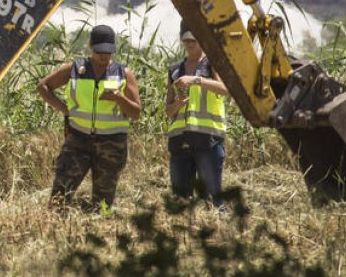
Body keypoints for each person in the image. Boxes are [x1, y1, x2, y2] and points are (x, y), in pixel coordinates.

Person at [37, 24, 141, 210]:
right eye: (100, 51)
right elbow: (43, 87)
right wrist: (65, 109)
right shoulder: (75, 69)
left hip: (112, 145)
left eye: (108, 52)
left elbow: (136, 113)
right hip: (78, 140)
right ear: (90, 47)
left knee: (102, 206)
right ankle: (55, 230)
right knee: (58, 198)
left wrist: (119, 98)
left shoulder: (123, 73)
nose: (104, 56)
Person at [164, 20, 229, 206]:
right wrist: (177, 104)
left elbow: (226, 89)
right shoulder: (175, 70)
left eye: (194, 39)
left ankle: (218, 229)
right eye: (187, 40)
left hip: (208, 139)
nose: (190, 44)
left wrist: (197, 80)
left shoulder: (213, 63)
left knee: (213, 198)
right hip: (180, 141)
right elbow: (168, 111)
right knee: (180, 200)